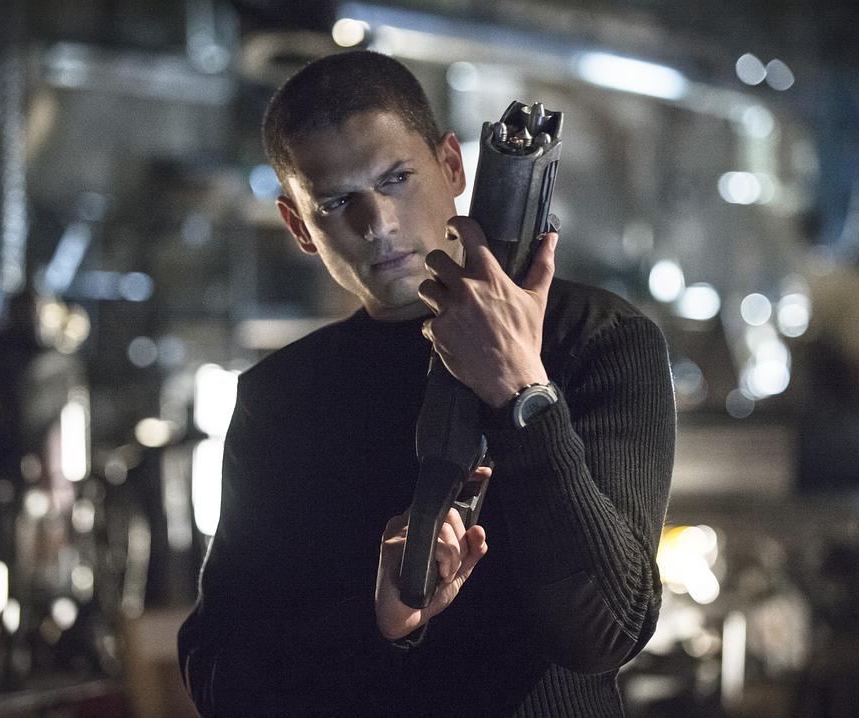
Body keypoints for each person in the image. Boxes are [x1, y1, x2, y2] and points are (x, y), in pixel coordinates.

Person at [178, 50, 675, 716]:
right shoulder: (281, 397)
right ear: (299, 226)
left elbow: (606, 632)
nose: (377, 224)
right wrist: (377, 624)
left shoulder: (598, 339)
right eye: (337, 202)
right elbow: (219, 673)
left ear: (452, 165)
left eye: (396, 178)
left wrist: (520, 390)